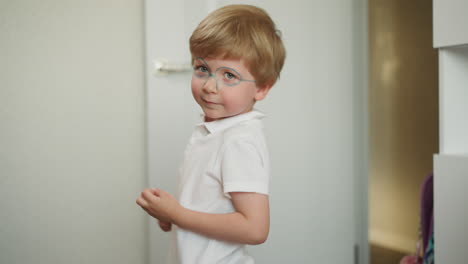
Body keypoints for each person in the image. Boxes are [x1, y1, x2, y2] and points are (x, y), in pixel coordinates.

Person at [136, 4, 286, 263]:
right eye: (202, 69)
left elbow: (255, 228)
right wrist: (172, 216)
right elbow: (209, 207)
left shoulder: (239, 142)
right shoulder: (215, 131)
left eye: (229, 75)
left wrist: (178, 214)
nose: (209, 86)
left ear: (261, 88)